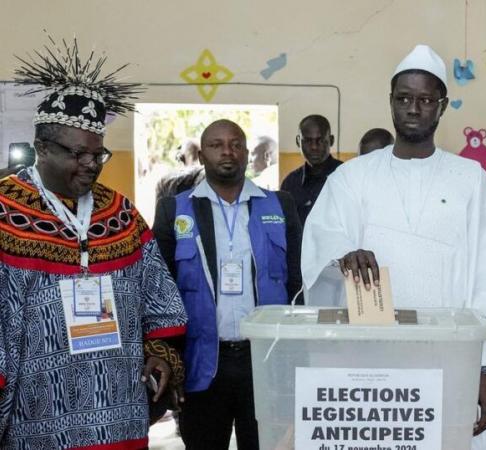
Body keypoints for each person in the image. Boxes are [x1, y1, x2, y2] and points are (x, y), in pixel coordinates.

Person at [301, 44, 486, 449]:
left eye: (426, 99)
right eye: (404, 98)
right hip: (368, 368)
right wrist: (344, 254)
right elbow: (323, 238)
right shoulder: (351, 178)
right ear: (391, 103)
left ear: (442, 106)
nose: (414, 108)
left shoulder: (470, 180)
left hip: (450, 364)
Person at [1, 38, 188, 448]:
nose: (90, 165)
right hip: (39, 420)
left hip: (121, 415)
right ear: (42, 149)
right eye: (78, 154)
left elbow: (161, 299)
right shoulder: (5, 213)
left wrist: (159, 353)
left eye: (98, 155)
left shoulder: (120, 213)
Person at [153, 119, 303, 449]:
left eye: (235, 144)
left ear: (247, 153)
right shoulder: (174, 209)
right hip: (202, 362)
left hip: (264, 361)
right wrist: (167, 356)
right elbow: (160, 292)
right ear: (201, 154)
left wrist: (297, 357)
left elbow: (296, 283)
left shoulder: (280, 205)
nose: (227, 151)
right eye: (216, 144)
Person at [280, 114, 342, 226]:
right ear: (298, 141)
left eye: (321, 140)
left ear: (331, 140)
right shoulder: (290, 183)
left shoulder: (346, 176)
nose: (314, 147)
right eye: (308, 141)